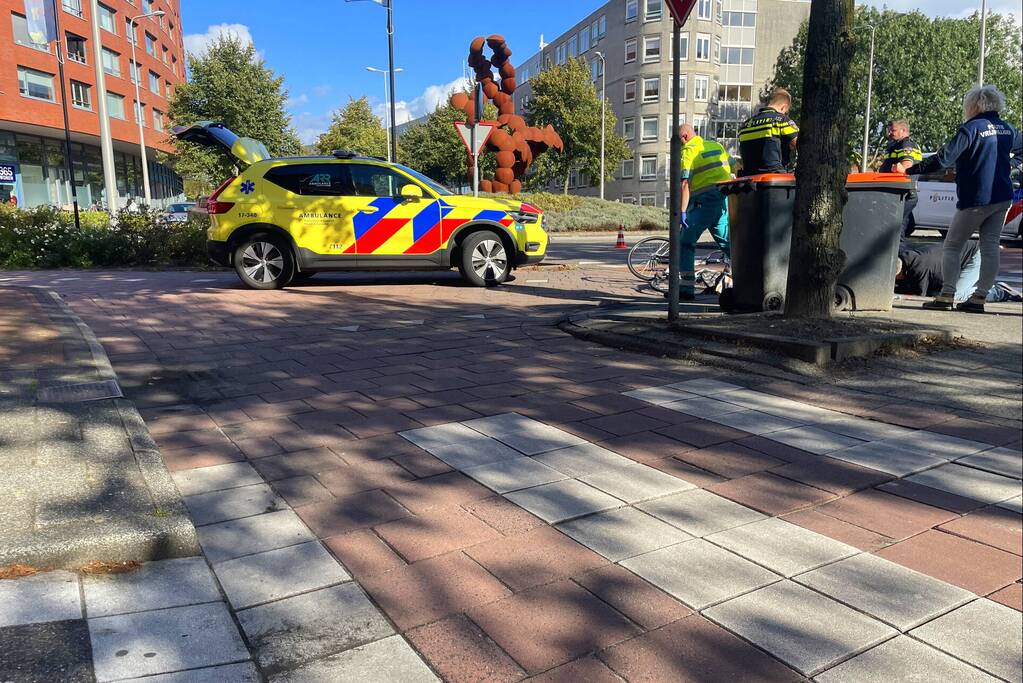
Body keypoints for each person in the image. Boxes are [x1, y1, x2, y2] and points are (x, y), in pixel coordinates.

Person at [905, 84, 1020, 313]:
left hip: (976, 198)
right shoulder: (1007, 129)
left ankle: (947, 295)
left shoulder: (971, 129)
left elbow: (943, 159)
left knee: (952, 246)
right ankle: (979, 298)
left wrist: (911, 169)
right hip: (1002, 196)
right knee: (990, 247)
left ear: (974, 104)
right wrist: (1013, 168)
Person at [677, 123, 732, 299]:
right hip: (722, 201)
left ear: (684, 137)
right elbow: (735, 164)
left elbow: (685, 184)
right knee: (730, 245)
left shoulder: (688, 151)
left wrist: (682, 211)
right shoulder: (716, 145)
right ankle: (753, 279)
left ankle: (686, 290)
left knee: (685, 242)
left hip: (703, 204)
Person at [896, 240, 1021, 303]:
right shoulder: (907, 258)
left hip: (977, 255)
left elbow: (919, 297)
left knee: (955, 296)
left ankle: (999, 292)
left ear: (900, 274)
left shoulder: (920, 268)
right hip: (962, 257)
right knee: (939, 293)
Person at [737, 88, 799, 176]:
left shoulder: (745, 125)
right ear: (783, 107)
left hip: (749, 181)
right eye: (786, 111)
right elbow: (801, 145)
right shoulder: (781, 120)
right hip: (774, 181)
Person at [879, 119, 923, 236]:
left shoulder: (906, 144)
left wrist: (896, 168)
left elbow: (905, 167)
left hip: (902, 195)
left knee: (895, 231)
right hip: (896, 194)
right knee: (898, 229)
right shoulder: (896, 145)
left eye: (893, 130)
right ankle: (900, 253)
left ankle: (902, 254)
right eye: (889, 130)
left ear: (903, 130)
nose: (890, 133)